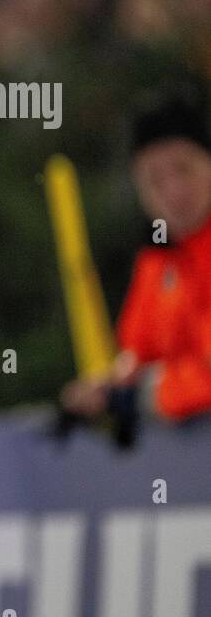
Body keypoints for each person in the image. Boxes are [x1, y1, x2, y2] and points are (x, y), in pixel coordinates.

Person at [60, 83, 211, 428]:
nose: (174, 191)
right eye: (155, 179)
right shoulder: (157, 262)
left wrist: (142, 395)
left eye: (184, 169)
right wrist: (108, 389)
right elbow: (134, 356)